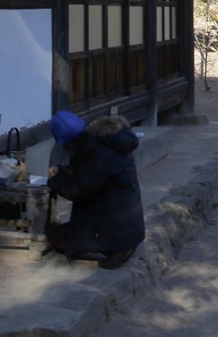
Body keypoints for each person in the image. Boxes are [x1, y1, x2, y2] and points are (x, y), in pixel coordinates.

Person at [46, 111, 145, 270]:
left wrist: (54, 181)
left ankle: (119, 249)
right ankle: (124, 244)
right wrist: (62, 171)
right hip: (127, 221)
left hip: (115, 220)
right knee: (61, 235)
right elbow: (87, 171)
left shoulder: (99, 152)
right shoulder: (104, 141)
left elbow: (79, 190)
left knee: (58, 240)